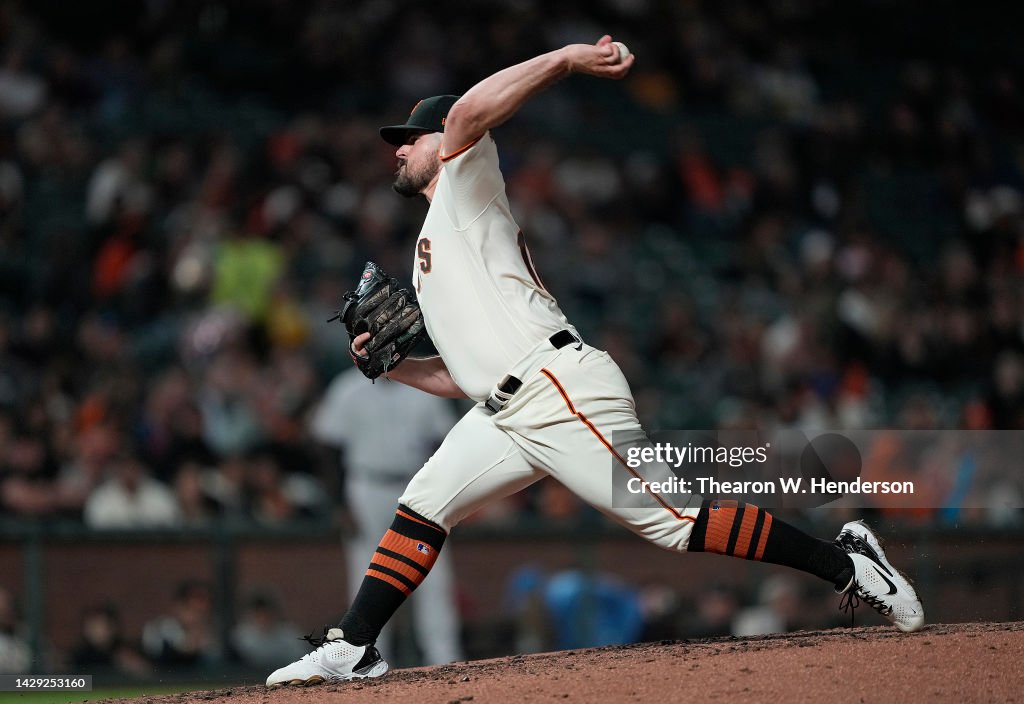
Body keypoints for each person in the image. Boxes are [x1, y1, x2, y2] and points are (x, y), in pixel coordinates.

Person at [266, 35, 924, 687]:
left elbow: (467, 114)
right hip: (504, 409)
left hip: (556, 388)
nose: (400, 148)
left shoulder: (465, 180)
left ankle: (849, 564)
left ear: (443, 139)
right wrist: (391, 366)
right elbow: (457, 378)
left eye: (410, 137)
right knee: (423, 505)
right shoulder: (433, 247)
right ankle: (354, 645)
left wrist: (567, 59)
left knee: (674, 522)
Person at [310, 366, 462, 665]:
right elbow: (327, 448)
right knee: (366, 574)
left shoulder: (424, 385)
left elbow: (446, 442)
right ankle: (366, 657)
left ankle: (444, 656)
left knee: (434, 573)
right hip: (364, 486)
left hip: (417, 483)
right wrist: (339, 502)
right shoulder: (347, 388)